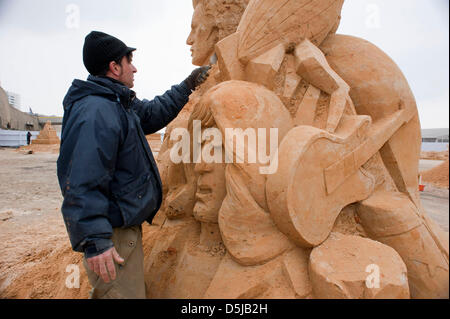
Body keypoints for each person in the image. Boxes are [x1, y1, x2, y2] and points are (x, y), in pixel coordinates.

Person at [57, 31, 210, 299]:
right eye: (129, 61)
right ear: (115, 68)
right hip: (111, 236)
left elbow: (152, 113)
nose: (135, 67)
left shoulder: (115, 103)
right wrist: (96, 241)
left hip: (119, 229)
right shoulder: (96, 111)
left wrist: (188, 84)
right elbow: (80, 179)